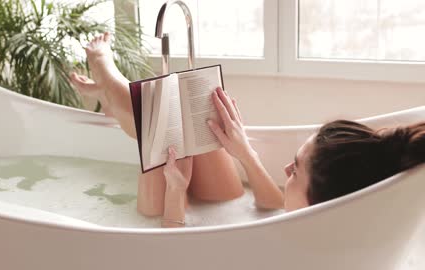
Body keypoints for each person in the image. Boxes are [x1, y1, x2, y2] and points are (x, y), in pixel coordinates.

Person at [72, 32, 425, 227]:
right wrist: (244, 151)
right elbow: (273, 203)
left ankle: (109, 81)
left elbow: (170, 258)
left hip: (169, 229)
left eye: (296, 171)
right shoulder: (312, 221)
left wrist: (176, 195)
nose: (286, 169)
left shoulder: (289, 247)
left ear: (321, 202)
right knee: (195, 126)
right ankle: (115, 98)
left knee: (157, 135)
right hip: (227, 213)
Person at [70, 32, 245, 227]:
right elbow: (273, 206)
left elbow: (166, 247)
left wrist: (176, 191)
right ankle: (108, 91)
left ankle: (105, 73)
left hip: (188, 230)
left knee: (155, 119)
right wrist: (247, 154)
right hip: (235, 212)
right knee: (195, 122)